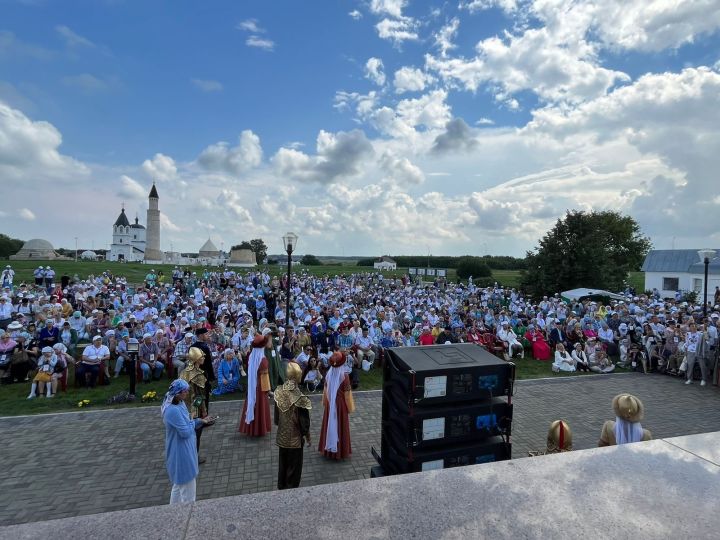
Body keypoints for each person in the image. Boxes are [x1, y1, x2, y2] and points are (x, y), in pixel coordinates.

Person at [162, 379, 213, 504]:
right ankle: (187, 519)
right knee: (188, 493)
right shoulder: (172, 411)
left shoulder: (179, 403)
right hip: (181, 453)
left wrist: (200, 421)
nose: (187, 393)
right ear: (178, 393)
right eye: (185, 391)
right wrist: (193, 424)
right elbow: (185, 432)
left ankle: (172, 514)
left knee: (178, 486)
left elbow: (187, 424)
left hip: (185, 449)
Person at [274, 362, 312, 490]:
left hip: (282, 437)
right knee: (293, 469)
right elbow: (304, 422)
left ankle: (281, 487)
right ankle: (290, 493)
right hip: (295, 440)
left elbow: (276, 419)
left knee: (283, 466)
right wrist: (308, 435)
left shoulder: (279, 391)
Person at [318, 351, 354, 460]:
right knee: (340, 425)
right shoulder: (345, 376)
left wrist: (325, 403)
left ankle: (329, 451)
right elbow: (347, 395)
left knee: (329, 424)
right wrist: (350, 408)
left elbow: (325, 391)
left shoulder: (328, 374)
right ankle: (340, 451)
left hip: (330, 404)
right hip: (340, 405)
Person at [179, 347, 211, 463]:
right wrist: (204, 411)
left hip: (183, 407)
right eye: (201, 356)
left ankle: (188, 456)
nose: (204, 357)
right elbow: (200, 396)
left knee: (187, 434)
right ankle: (194, 457)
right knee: (196, 434)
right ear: (196, 359)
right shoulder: (198, 375)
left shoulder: (184, 372)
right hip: (194, 409)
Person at [239, 334, 272, 437]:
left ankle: (251, 429)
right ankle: (259, 429)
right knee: (260, 406)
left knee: (251, 404)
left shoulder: (252, 356)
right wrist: (269, 390)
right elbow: (265, 377)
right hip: (261, 387)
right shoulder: (263, 360)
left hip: (252, 386)